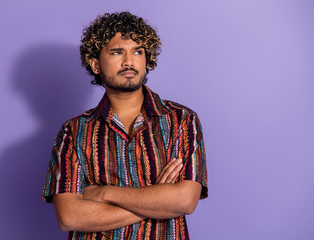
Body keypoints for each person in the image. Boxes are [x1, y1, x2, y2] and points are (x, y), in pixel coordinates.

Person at [42, 11, 208, 239]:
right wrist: (157, 200)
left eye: (138, 52)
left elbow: (185, 201)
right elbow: (70, 217)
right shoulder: (73, 131)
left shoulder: (181, 120)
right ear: (96, 64)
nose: (129, 61)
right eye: (117, 52)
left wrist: (103, 193)